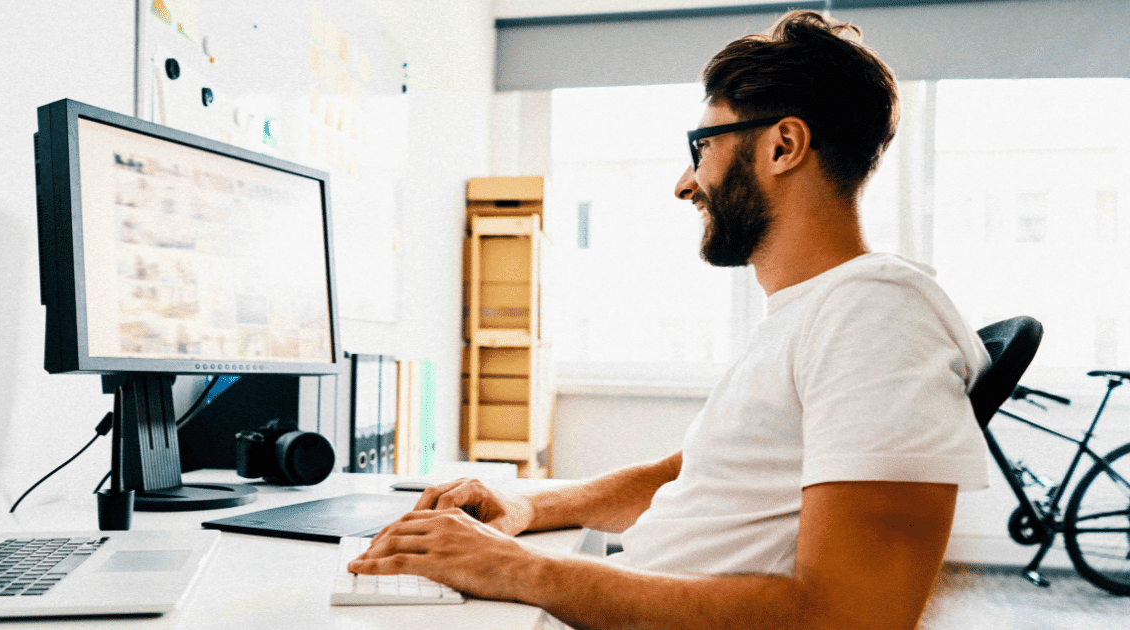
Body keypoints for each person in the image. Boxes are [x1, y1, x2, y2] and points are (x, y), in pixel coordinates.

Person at [349, 10, 990, 630]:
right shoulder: (815, 311)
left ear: (783, 145)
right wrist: (524, 506)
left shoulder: (877, 315)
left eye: (702, 147)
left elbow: (855, 618)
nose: (686, 183)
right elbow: (682, 478)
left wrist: (521, 570)